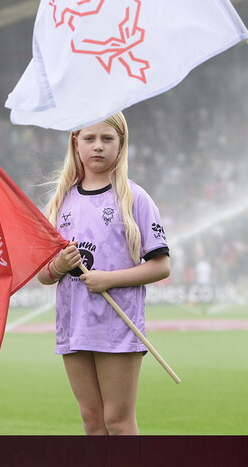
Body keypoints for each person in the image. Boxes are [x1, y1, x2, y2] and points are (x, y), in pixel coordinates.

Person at [36, 112, 170, 435]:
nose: (98, 146)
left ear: (121, 145)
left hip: (117, 324)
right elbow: (43, 274)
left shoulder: (134, 198)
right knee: (92, 421)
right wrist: (59, 265)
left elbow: (161, 265)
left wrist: (108, 279)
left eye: (107, 139)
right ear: (75, 143)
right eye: (90, 138)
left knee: (118, 422)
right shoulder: (60, 201)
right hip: (73, 324)